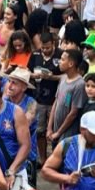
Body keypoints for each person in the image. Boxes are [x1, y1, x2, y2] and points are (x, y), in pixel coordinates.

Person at [29, 31, 61, 163]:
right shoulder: (35, 54)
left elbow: (67, 76)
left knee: (56, 130)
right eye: (43, 48)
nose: (45, 50)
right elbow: (27, 71)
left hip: (56, 97)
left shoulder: (61, 55)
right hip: (39, 97)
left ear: (53, 44)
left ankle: (56, 159)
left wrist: (52, 77)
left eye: (48, 47)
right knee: (40, 131)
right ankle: (42, 159)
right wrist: (33, 75)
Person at [47, 49, 87, 145]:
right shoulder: (63, 78)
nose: (59, 62)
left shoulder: (79, 84)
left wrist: (58, 133)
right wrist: (49, 128)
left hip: (68, 133)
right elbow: (56, 102)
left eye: (62, 59)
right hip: (55, 130)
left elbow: (73, 113)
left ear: (71, 64)